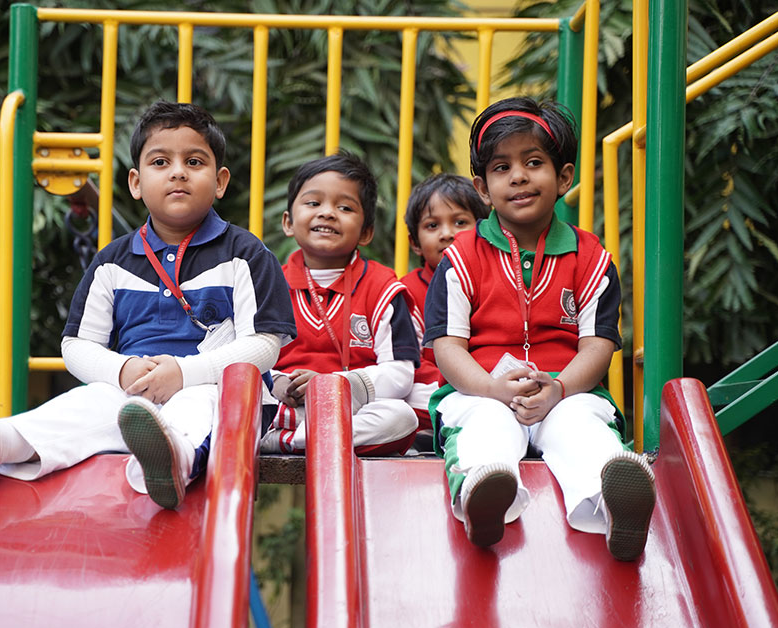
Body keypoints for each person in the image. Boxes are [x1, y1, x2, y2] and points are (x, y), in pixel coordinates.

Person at [0, 101, 297, 510]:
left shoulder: (245, 254)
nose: (178, 172)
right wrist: (120, 370)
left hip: (217, 391)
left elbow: (264, 344)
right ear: (136, 183)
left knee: (198, 405)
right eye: (161, 162)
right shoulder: (113, 262)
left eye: (194, 161)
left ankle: (172, 458)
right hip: (136, 392)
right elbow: (77, 346)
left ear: (220, 181)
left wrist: (185, 373)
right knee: (87, 404)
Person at [422, 97, 656, 561]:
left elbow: (598, 344)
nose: (519, 176)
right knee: (484, 428)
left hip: (564, 393)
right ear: (483, 188)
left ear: (564, 177)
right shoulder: (461, 258)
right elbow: (447, 345)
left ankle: (615, 505)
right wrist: (489, 388)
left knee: (582, 426)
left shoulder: (591, 259)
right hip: (481, 392)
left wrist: (562, 388)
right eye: (501, 167)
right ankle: (483, 495)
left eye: (534, 163)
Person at [261, 153, 421, 455]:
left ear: (366, 232)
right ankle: (303, 436)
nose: (328, 213)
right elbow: (250, 357)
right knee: (232, 398)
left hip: (349, 412)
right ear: (288, 223)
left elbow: (400, 374)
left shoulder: (383, 287)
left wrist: (331, 385)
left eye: (345, 207)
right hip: (285, 410)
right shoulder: (270, 286)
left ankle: (292, 443)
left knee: (402, 417)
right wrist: (278, 383)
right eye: (313, 203)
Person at [401, 173, 490, 436]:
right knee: (400, 398)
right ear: (415, 243)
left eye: (460, 222)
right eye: (432, 226)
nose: (447, 234)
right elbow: (410, 362)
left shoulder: (498, 279)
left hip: (492, 385)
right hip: (435, 386)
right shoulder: (405, 292)